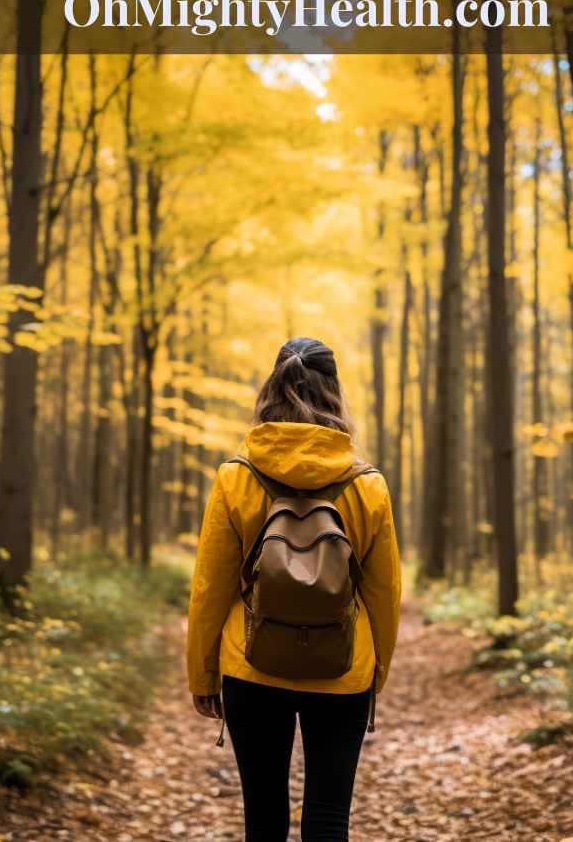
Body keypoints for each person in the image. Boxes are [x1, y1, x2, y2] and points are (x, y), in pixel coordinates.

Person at [187, 336, 401, 842]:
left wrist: (203, 673)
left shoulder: (235, 478)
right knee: (329, 816)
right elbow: (385, 592)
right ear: (335, 393)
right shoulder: (367, 484)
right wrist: (376, 673)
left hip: (251, 665)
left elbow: (210, 588)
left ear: (271, 389)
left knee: (263, 818)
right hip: (343, 669)